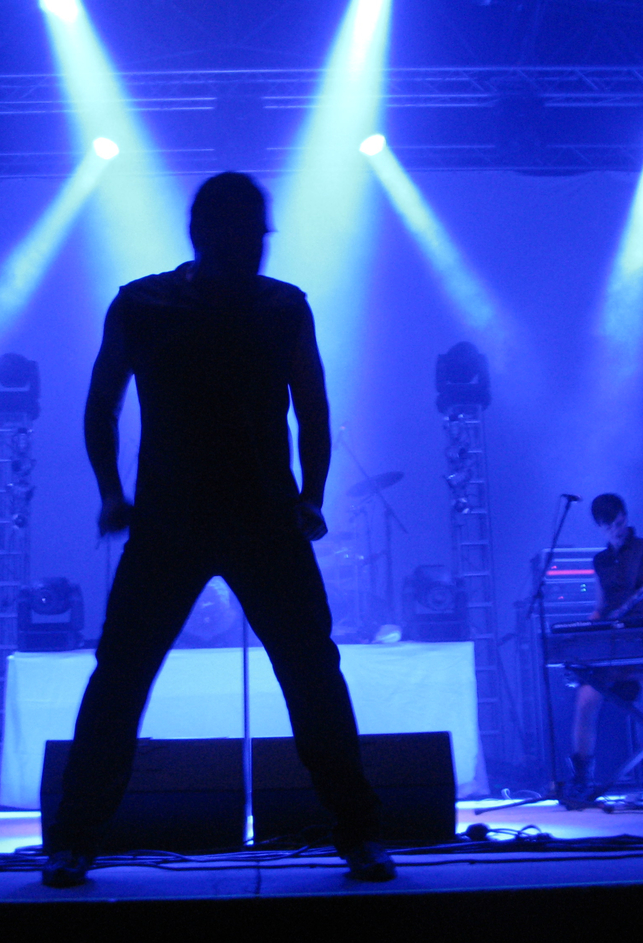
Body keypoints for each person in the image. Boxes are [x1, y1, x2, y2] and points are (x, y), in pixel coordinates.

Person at [42, 173, 391, 887]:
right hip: (242, 519)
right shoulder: (261, 306)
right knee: (304, 674)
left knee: (128, 677)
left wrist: (114, 496)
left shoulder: (159, 304)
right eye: (251, 235)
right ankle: (359, 834)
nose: (259, 247)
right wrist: (310, 498)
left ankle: (75, 841)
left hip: (190, 520)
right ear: (212, 235)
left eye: (259, 236)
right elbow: (311, 410)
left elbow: (104, 405)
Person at [564, 493, 643, 803]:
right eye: (609, 527)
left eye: (619, 523)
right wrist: (582, 632)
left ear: (626, 516)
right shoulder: (600, 561)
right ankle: (582, 779)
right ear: (600, 527)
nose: (616, 530)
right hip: (610, 642)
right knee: (585, 701)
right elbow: (600, 607)